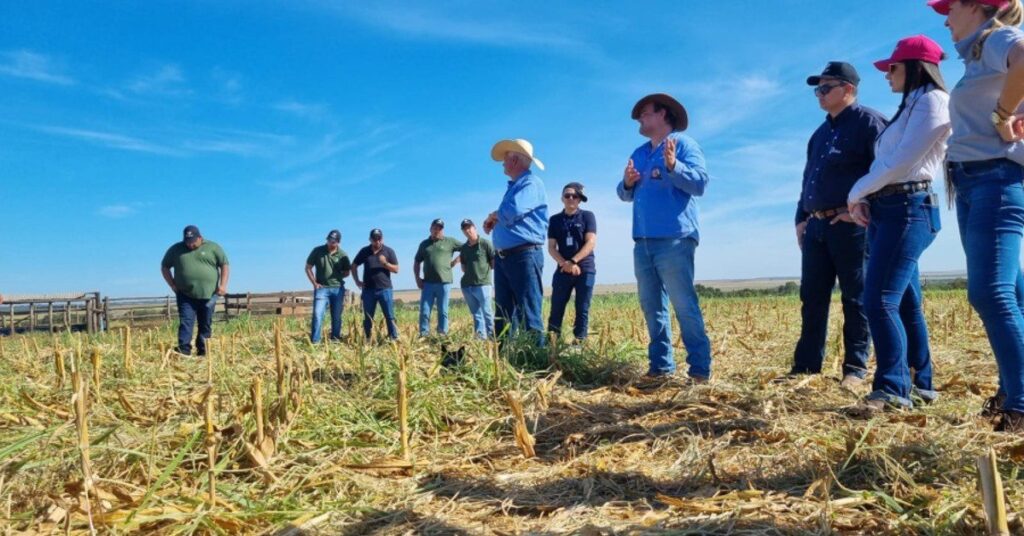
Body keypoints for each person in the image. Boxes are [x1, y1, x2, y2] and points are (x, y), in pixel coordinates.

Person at [929, 0, 1024, 432]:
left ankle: (1021, 405)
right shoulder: (978, 54)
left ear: (977, 6)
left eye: (950, 8)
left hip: (995, 181)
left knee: (990, 294)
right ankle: (1012, 389)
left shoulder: (996, 37)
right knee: (1012, 294)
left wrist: (1003, 116)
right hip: (974, 183)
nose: (945, 18)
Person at [846, 36, 951, 411]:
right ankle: (920, 384)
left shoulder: (933, 101)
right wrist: (865, 197)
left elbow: (904, 162)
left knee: (879, 300)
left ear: (914, 67)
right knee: (905, 301)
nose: (887, 74)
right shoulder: (909, 106)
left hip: (909, 206)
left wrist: (855, 192)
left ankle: (892, 389)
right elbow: (884, 165)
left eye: (892, 67)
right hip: (891, 208)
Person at [791, 63, 887, 388]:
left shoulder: (869, 124)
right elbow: (809, 180)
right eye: (817, 89)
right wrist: (801, 218)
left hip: (851, 225)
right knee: (812, 297)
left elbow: (887, 172)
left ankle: (855, 370)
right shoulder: (820, 134)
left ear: (847, 89)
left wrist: (864, 209)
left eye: (825, 87)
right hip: (817, 226)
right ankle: (806, 368)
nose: (819, 94)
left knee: (855, 298)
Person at [616, 93, 712, 381]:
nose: (639, 119)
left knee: (683, 304)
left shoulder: (684, 145)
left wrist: (674, 167)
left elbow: (700, 184)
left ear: (663, 115)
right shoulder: (639, 153)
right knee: (651, 306)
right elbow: (623, 194)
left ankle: (699, 370)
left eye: (645, 114)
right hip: (643, 241)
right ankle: (660, 367)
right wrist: (627, 183)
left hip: (675, 239)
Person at [482, 139, 548, 342]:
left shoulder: (531, 183)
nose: (503, 163)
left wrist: (494, 215)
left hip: (523, 255)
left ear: (515, 160)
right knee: (503, 312)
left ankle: (537, 363)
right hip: (507, 257)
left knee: (529, 311)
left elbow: (513, 211)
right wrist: (496, 218)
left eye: (505, 159)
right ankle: (503, 359)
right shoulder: (516, 186)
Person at [160, 225, 229, 357]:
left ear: (200, 237)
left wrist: (223, 285)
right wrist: (172, 285)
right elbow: (164, 267)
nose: (190, 245)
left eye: (192, 242)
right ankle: (184, 350)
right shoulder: (176, 249)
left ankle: (203, 351)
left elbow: (224, 264)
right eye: (187, 242)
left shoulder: (213, 247)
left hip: (209, 295)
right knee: (186, 322)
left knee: (205, 323)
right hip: (185, 295)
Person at [547, 182, 597, 341]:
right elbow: (551, 247)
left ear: (579, 199)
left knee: (582, 309)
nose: (570, 198)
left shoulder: (588, 216)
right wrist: (565, 264)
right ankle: (552, 345)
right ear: (562, 198)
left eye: (574, 196)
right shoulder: (554, 220)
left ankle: (579, 344)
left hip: (585, 268)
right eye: (567, 195)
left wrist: (574, 261)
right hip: (563, 269)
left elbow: (590, 242)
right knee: (556, 308)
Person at [414, 219, 461, 337]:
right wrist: (417, 278)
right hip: (428, 283)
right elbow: (417, 262)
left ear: (442, 230)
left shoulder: (450, 241)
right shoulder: (424, 244)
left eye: (439, 228)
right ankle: (424, 335)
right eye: (435, 228)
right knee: (424, 311)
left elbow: (466, 248)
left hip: (444, 282)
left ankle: (442, 334)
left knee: (443, 311)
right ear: (430, 229)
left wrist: (456, 260)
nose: (437, 230)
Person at [352, 228, 400, 341]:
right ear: (370, 239)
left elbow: (396, 269)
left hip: (385, 289)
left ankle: (393, 338)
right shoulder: (364, 251)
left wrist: (385, 263)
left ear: (382, 239)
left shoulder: (389, 251)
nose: (377, 241)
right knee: (368, 317)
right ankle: (367, 339)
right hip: (368, 290)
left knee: (389, 315)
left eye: (379, 239)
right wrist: (357, 281)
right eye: (374, 239)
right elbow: (353, 265)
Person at [305, 229, 352, 343]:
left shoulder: (343, 255)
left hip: (338, 289)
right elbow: (308, 267)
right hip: (322, 289)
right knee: (317, 314)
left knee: (336, 316)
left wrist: (337, 276)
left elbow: (347, 272)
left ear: (338, 242)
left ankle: (335, 339)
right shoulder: (317, 251)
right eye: (329, 240)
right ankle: (315, 341)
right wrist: (314, 283)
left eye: (333, 241)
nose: (330, 243)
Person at [453, 219, 497, 339]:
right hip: (467, 285)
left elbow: (494, 263)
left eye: (469, 228)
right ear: (463, 232)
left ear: (474, 228)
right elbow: (463, 268)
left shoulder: (485, 243)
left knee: (487, 312)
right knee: (476, 314)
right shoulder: (464, 248)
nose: (467, 231)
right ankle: (480, 338)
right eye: (464, 229)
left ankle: (492, 337)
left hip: (483, 284)